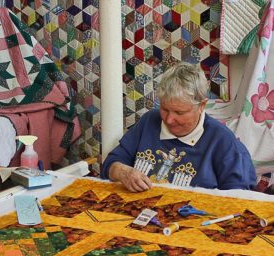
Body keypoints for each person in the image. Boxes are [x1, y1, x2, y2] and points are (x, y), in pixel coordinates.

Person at [101, 62, 257, 192]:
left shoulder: (223, 142)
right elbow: (111, 163)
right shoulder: (149, 122)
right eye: (165, 109)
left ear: (202, 105)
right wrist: (123, 172)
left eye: (179, 112)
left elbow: (239, 198)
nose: (169, 119)